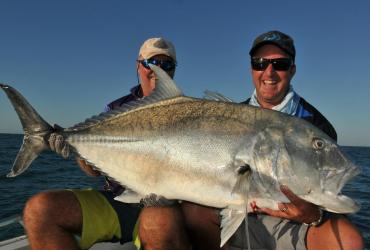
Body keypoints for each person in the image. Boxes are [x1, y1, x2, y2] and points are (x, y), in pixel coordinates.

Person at [139, 31, 364, 250]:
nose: (269, 72)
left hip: (295, 225)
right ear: (251, 69)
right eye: (260, 63)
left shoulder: (315, 125)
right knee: (192, 213)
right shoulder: (233, 114)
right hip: (243, 216)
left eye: (280, 64)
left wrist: (313, 215)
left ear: (292, 70)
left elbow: (326, 205)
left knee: (348, 242)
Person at [22, 37, 178, 250]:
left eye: (167, 64)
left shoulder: (187, 112)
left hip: (161, 205)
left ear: (173, 71)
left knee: (159, 222)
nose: (158, 69)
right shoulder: (115, 109)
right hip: (115, 200)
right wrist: (77, 149)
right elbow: (93, 172)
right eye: (151, 63)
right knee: (39, 210)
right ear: (138, 65)